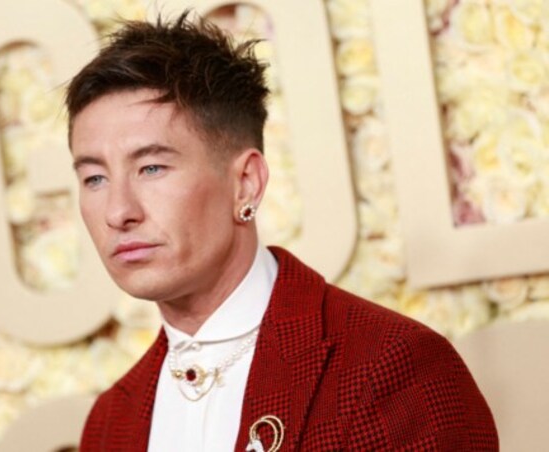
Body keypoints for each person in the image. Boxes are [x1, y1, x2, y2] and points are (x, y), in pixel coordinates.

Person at [65, 11, 497, 452]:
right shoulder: (109, 423)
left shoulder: (392, 368)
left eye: (151, 167)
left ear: (246, 183)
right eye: (94, 178)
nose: (118, 211)